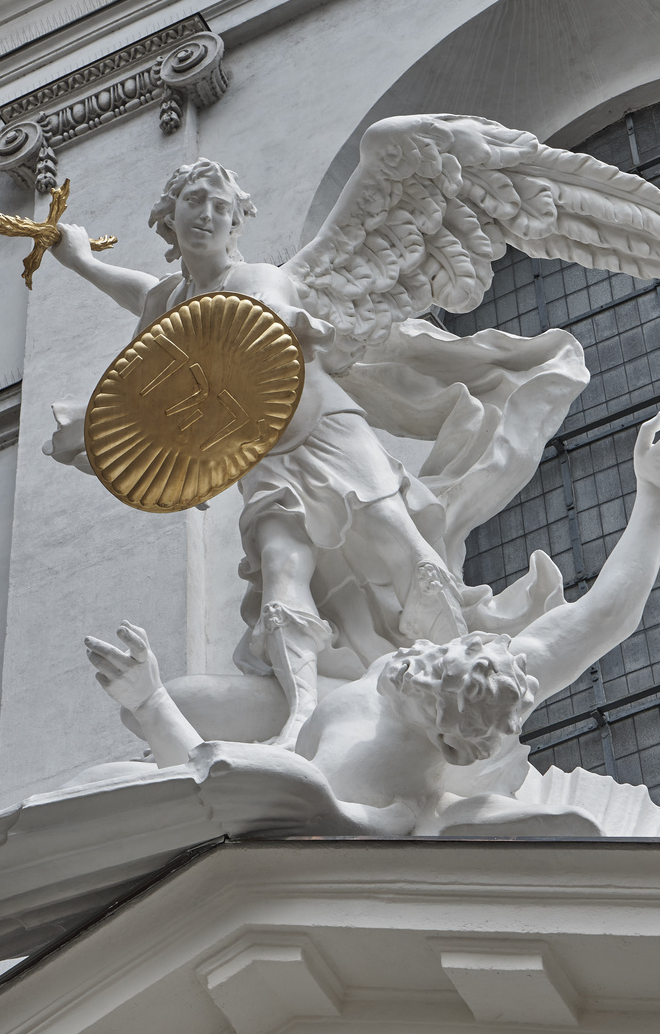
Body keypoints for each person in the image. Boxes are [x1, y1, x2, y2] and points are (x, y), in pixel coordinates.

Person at [84, 407, 660, 833]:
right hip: (325, 703)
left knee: (143, 745)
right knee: (190, 700)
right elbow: (604, 616)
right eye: (439, 656)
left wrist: (149, 704)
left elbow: (224, 793)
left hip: (306, 773)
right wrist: (656, 493)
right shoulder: (495, 673)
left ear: (432, 719)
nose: (414, 654)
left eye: (421, 670)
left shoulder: (366, 762)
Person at [52, 160, 481, 745]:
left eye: (220, 206)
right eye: (194, 202)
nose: (206, 215)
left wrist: (286, 328)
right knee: (281, 566)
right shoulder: (170, 300)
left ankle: (459, 672)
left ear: (235, 222)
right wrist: (81, 261)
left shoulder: (259, 277)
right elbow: (142, 296)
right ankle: (302, 719)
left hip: (324, 426)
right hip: (258, 454)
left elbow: (263, 317)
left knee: (389, 529)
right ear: (168, 216)